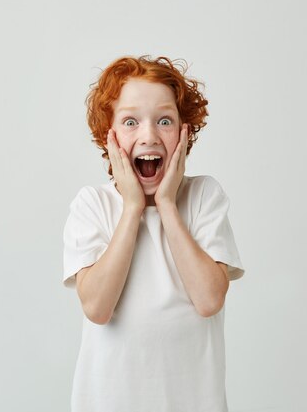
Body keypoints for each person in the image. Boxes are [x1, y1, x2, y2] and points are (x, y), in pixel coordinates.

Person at [63, 55, 245, 412]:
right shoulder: (93, 204)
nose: (148, 135)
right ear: (108, 135)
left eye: (164, 120)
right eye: (131, 121)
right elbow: (97, 308)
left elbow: (209, 300)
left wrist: (166, 205)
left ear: (183, 132)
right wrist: (132, 208)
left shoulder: (203, 197)